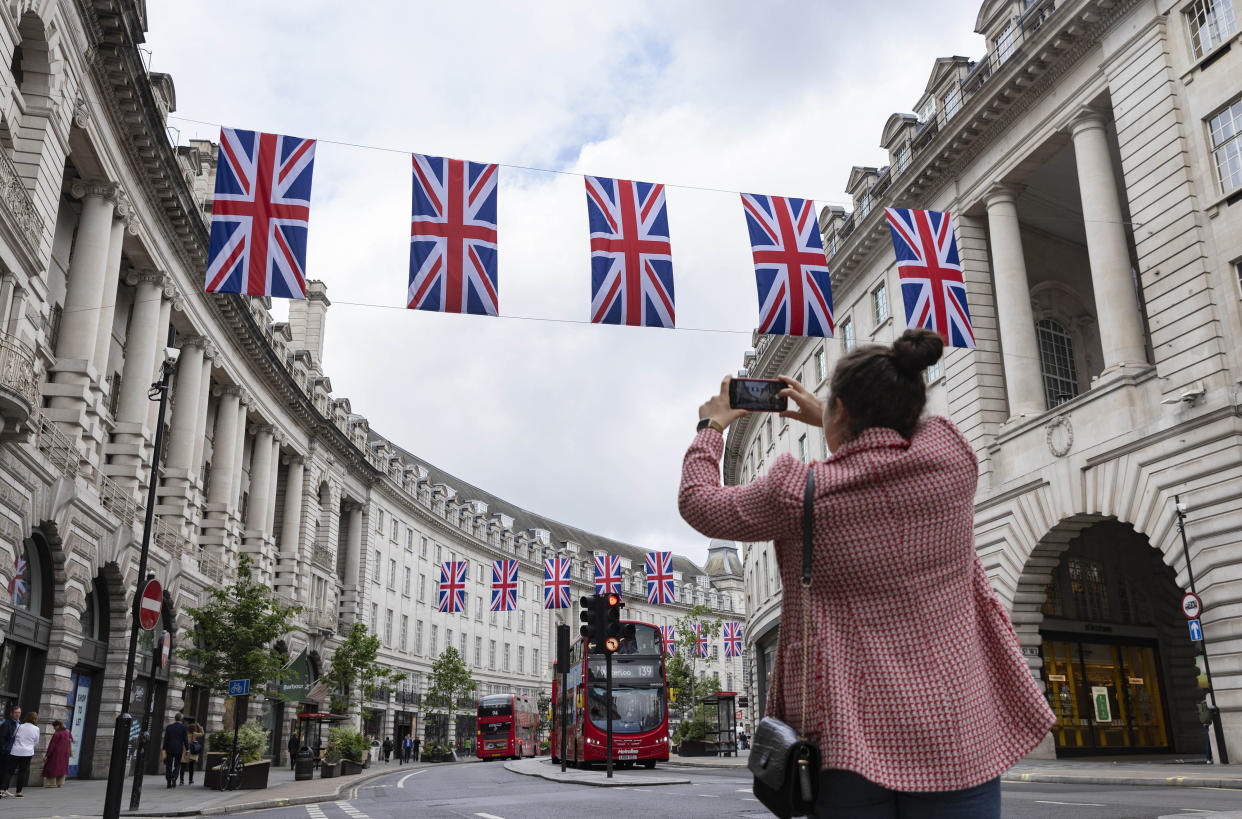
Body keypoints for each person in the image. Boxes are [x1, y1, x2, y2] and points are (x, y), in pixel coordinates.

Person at [679, 329, 1056, 818]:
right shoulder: (951, 459)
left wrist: (711, 426)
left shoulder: (801, 492)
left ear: (842, 411)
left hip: (846, 742)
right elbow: (913, 432)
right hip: (958, 730)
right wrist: (834, 416)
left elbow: (698, 501)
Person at [7, 711, 39, 797]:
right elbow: (36, 742)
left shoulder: (19, 726)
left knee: (10, 770)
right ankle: (18, 792)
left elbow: (14, 736)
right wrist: (29, 745)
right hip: (27, 752)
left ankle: (3, 789)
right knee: (23, 772)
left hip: (16, 751)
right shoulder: (36, 729)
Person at [160, 712, 189, 788]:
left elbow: (166, 739)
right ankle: (174, 777)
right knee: (177, 764)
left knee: (168, 765)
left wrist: (163, 748)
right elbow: (185, 739)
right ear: (181, 719)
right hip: (178, 748)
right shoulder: (184, 727)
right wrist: (187, 749)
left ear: (175, 718)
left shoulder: (169, 727)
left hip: (169, 748)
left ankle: (168, 782)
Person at [41, 719, 72, 787]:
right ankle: (60, 783)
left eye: (54, 726)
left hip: (56, 754)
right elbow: (71, 739)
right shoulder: (67, 731)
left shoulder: (57, 733)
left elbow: (52, 745)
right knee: (61, 767)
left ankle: (51, 783)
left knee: (52, 767)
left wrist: (47, 755)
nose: (54, 728)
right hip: (64, 754)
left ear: (57, 726)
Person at [0, 704, 20, 797]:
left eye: (19, 712)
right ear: (11, 713)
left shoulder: (20, 724)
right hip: (7, 750)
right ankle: (1, 790)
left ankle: (5, 789)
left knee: (9, 771)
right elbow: (2, 738)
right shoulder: (7, 724)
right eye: (16, 713)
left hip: (15, 751)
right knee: (4, 771)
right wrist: (3, 749)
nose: (18, 714)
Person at [181, 717, 203, 785]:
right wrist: (199, 726)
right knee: (191, 767)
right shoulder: (195, 734)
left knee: (183, 767)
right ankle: (190, 780)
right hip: (192, 754)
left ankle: (181, 780)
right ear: (194, 729)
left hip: (185, 753)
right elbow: (202, 733)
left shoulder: (185, 734)